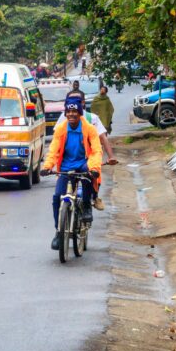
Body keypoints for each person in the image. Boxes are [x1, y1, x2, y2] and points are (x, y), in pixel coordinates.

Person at [40, 99, 103, 250]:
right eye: (69, 112)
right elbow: (53, 150)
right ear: (66, 113)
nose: (71, 114)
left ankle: (87, 205)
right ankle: (58, 232)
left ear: (80, 113)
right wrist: (47, 166)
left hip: (83, 163)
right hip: (66, 166)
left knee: (88, 176)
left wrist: (94, 168)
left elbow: (96, 151)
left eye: (74, 111)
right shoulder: (61, 130)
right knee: (57, 197)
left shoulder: (89, 129)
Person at [55, 87, 118, 210]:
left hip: (88, 158)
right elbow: (56, 140)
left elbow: (103, 138)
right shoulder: (64, 118)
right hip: (69, 159)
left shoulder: (92, 118)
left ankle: (92, 199)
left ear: (83, 103)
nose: (71, 113)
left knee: (92, 176)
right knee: (61, 192)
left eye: (77, 100)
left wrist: (111, 157)